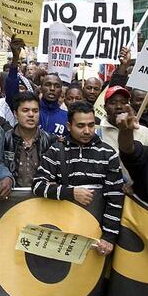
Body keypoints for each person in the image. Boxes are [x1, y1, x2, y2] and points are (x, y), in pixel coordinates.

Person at [32, 101, 124, 256]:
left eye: (91, 125)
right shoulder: (55, 151)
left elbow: (115, 198)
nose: (87, 131)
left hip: (96, 236)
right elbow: (37, 186)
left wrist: (108, 237)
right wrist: (71, 192)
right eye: (80, 126)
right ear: (69, 126)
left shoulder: (108, 154)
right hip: (61, 233)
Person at [98, 86, 148, 182]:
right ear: (105, 107)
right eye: (112, 103)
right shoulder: (96, 134)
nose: (119, 107)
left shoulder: (145, 132)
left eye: (124, 102)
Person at [4, 92, 54, 187]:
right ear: (16, 114)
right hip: (12, 197)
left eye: (35, 111)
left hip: (42, 197)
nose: (31, 114)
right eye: (25, 110)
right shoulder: (5, 139)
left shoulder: (49, 140)